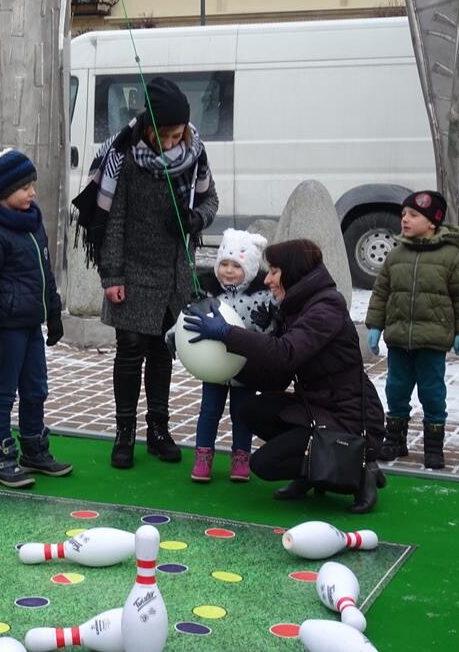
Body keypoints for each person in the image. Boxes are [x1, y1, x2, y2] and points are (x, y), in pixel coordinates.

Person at [73, 76, 219, 469]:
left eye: (178, 135)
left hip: (173, 273)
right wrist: (112, 276)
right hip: (133, 270)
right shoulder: (124, 157)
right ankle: (124, 433)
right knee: (130, 350)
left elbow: (211, 201)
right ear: (150, 129)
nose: (173, 143)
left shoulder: (194, 154)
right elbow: (114, 221)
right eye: (165, 136)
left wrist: (192, 220)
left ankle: (158, 429)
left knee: (161, 351)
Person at [183, 239, 387, 513]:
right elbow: (276, 377)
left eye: (274, 271)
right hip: (315, 409)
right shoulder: (297, 306)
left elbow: (286, 353)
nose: (267, 279)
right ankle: (309, 472)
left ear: (293, 272)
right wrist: (224, 360)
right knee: (249, 409)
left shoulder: (326, 307)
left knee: (263, 465)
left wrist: (228, 334)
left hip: (349, 417)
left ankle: (361, 471)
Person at [0, 148, 71, 488]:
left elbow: (44, 272)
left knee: (36, 388)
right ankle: (0, 454)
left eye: (33, 185)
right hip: (6, 328)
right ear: (3, 190)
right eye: (25, 187)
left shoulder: (31, 222)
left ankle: (34, 448)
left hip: (31, 325)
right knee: (3, 391)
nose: (32, 193)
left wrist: (53, 311)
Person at [365, 190, 459, 469]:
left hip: (433, 340)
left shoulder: (451, 257)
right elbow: (382, 292)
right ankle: (395, 440)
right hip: (400, 339)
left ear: (432, 223)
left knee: (432, 392)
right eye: (404, 214)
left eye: (413, 215)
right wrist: (375, 325)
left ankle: (433, 446)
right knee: (396, 389)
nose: (405, 219)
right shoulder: (396, 255)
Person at [187, 228, 275, 483]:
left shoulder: (261, 297)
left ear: (247, 268)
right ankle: (203, 455)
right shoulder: (209, 294)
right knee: (209, 411)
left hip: (244, 368)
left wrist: (267, 323)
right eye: (223, 264)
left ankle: (240, 457)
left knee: (242, 413)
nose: (227, 271)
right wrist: (174, 337)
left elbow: (270, 331)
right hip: (213, 367)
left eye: (235, 266)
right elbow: (190, 319)